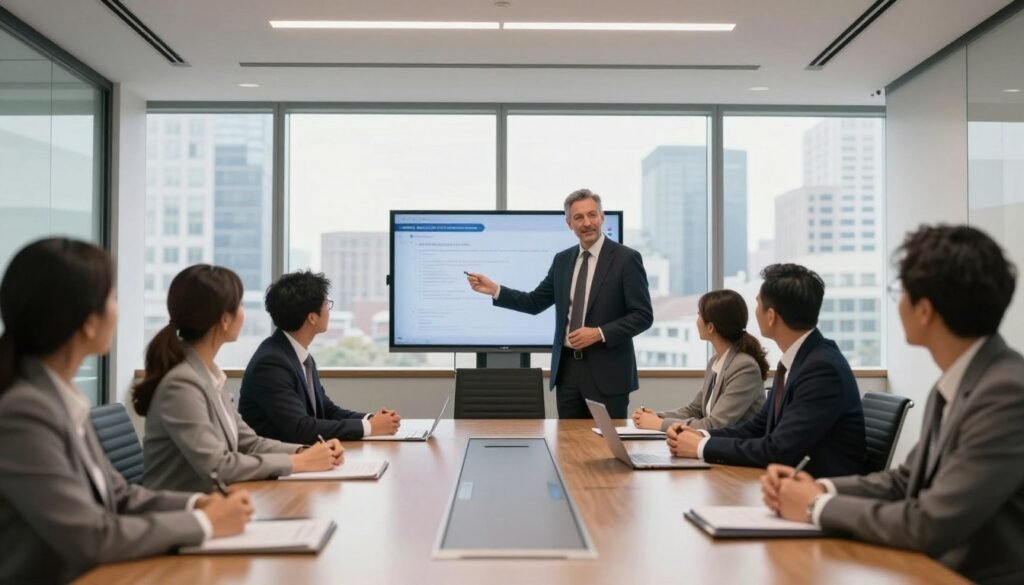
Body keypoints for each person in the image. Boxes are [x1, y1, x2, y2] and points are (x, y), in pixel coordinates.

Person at [762, 225, 1024, 584]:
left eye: (900, 292)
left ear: (925, 311)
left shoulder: (1006, 392)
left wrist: (814, 506)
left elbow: (929, 523)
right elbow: (905, 481)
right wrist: (822, 488)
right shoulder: (960, 381)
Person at [0, 239, 253, 583]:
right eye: (113, 298)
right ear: (88, 322)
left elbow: (118, 495)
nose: (118, 310)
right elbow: (91, 537)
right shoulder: (24, 412)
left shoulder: (57, 398)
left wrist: (197, 505)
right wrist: (205, 523)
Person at [136, 264, 344, 493]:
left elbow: (250, 443)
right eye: (241, 304)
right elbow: (218, 465)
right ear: (225, 320)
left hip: (215, 506)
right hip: (182, 515)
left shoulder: (209, 376)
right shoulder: (181, 384)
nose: (244, 312)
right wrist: (298, 463)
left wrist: (305, 452)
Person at [665, 263, 866, 478]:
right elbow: (756, 428)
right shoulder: (798, 360)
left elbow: (778, 450)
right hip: (788, 482)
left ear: (771, 316)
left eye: (758, 303)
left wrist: (701, 447)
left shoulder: (821, 369)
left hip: (816, 491)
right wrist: (699, 435)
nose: (755, 311)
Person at [466, 189, 653, 418]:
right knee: (568, 447)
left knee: (605, 449)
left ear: (602, 217)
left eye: (592, 215)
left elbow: (643, 316)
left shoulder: (626, 259)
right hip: (568, 374)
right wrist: (495, 290)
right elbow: (534, 302)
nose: (587, 223)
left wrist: (599, 333)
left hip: (608, 375)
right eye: (578, 217)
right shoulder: (563, 260)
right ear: (569, 224)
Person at [240, 270, 401, 443]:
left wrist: (371, 419)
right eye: (326, 303)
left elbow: (326, 410)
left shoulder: (297, 355)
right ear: (312, 317)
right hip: (279, 465)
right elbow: (301, 429)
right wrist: (370, 428)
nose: (329, 310)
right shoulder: (271, 364)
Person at [632, 289, 767, 432]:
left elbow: (714, 425)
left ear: (710, 327)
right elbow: (694, 410)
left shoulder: (744, 367)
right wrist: (656, 417)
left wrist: (658, 424)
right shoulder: (716, 361)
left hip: (736, 449)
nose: (696, 320)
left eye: (699, 315)